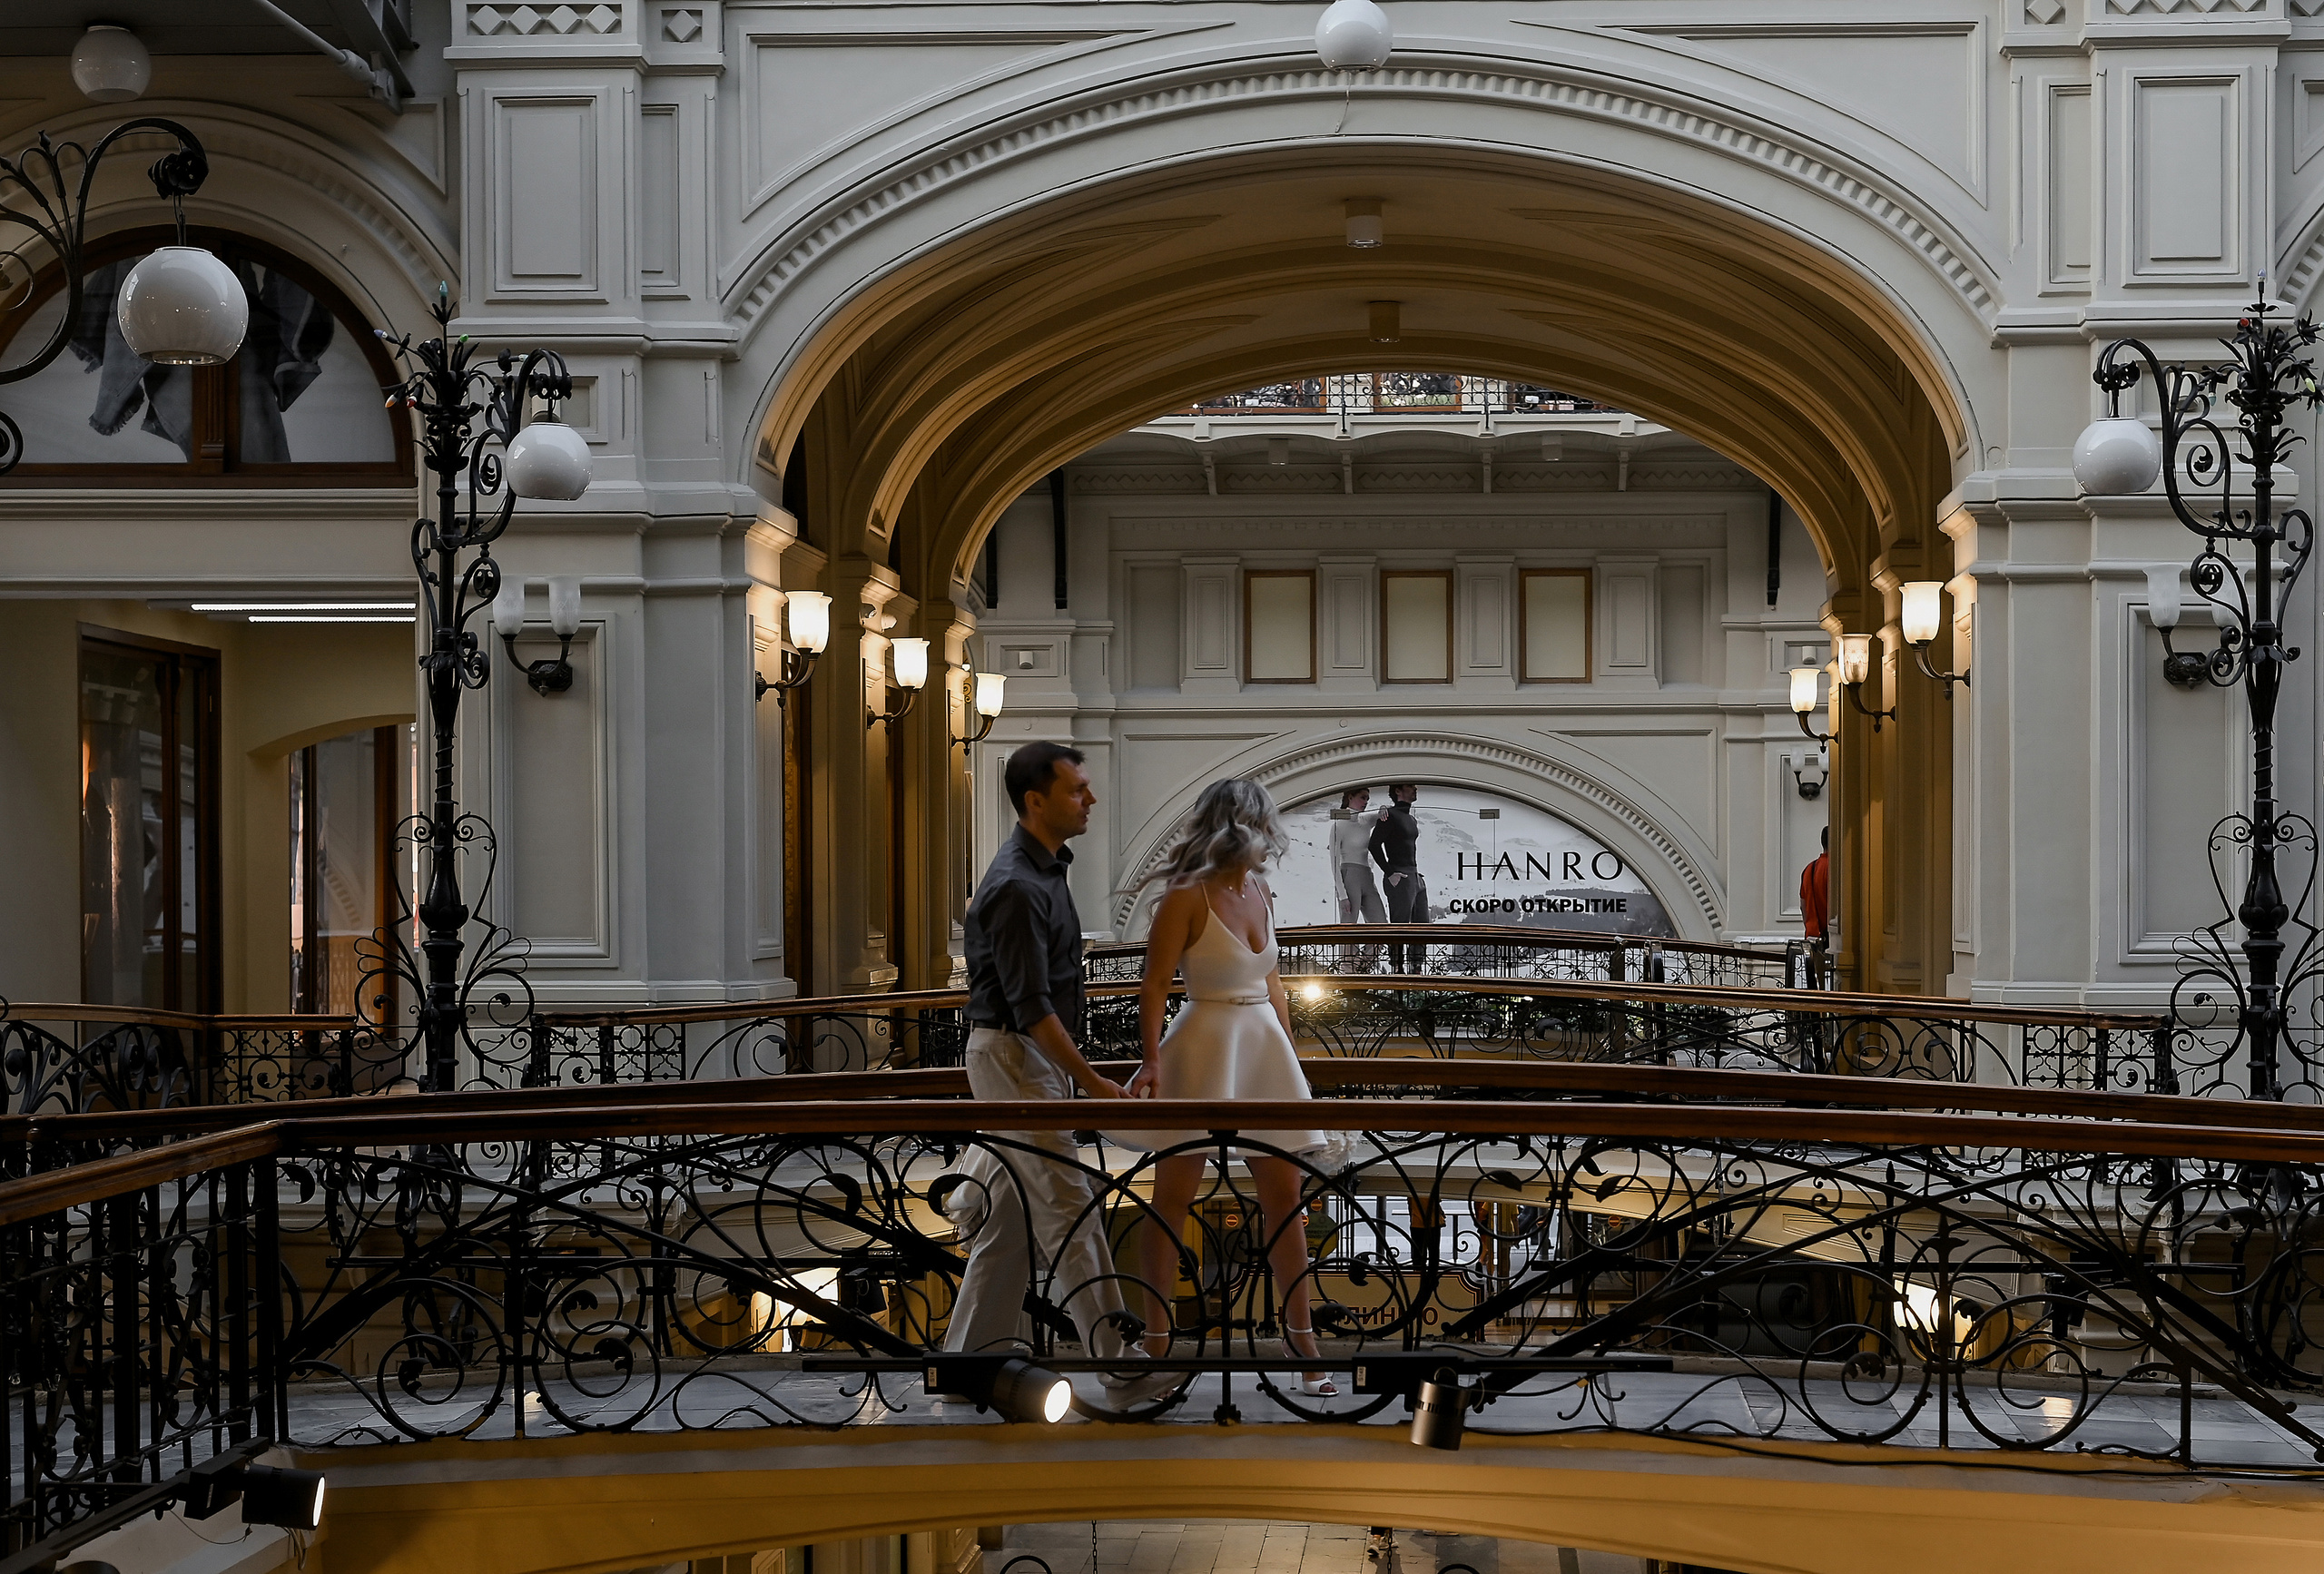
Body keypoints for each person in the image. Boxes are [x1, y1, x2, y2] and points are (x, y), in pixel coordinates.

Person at [944, 741, 1180, 1411]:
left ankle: (965, 1364)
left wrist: (1073, 1073)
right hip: (1017, 1056)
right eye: (1077, 789)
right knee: (1070, 1209)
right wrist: (1091, 1081)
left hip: (1022, 1057)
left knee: (1012, 1219)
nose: (1090, 798)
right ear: (1035, 800)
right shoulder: (1017, 886)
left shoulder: (1041, 872)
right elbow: (1031, 1008)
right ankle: (1122, 1369)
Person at [1127, 778, 1338, 1396]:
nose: (1272, 836)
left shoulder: (1260, 890)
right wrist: (1151, 1061)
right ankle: (1157, 1340)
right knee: (1173, 1196)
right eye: (1264, 824)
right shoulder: (1186, 894)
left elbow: (1274, 985)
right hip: (1203, 1046)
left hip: (1262, 1045)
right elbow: (1154, 984)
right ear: (1240, 827)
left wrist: (1292, 1060)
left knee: (1285, 1198)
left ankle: (1300, 1337)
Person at [1368, 782, 1427, 971]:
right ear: (1398, 791)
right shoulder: (1389, 816)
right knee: (1400, 925)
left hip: (1414, 875)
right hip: (1400, 875)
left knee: (1422, 925)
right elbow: (1374, 845)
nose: (1415, 789)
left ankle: (1417, 969)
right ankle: (1397, 970)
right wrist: (1390, 872)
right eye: (1410, 786)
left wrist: (1415, 875)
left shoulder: (1410, 818)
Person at [1330, 786, 1384, 971]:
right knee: (1348, 926)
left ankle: (1361, 965)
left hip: (1367, 875)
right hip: (1349, 874)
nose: (1366, 802)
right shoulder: (1338, 824)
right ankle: (1347, 969)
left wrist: (1383, 808)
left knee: (1382, 926)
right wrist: (1342, 894)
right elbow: (1334, 861)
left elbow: (1381, 815)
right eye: (1362, 797)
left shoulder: (1365, 820)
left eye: (1368, 798)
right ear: (1350, 797)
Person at [1800, 826, 1830, 951]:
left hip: (1813, 937)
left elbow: (1803, 906)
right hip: (1833, 939)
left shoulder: (1809, 869)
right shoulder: (1837, 868)